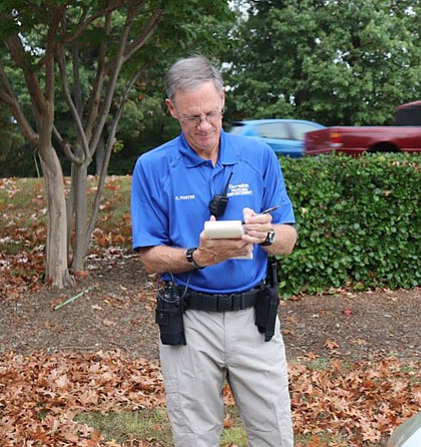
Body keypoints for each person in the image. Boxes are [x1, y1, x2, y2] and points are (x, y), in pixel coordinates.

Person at [130, 55, 297, 447]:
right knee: (195, 439)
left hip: (255, 321)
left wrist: (266, 234)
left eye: (212, 113)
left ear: (223, 99)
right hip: (189, 321)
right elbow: (149, 255)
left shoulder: (258, 157)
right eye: (192, 118)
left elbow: (288, 240)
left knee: (275, 435)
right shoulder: (152, 167)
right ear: (172, 109)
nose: (204, 126)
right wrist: (196, 258)